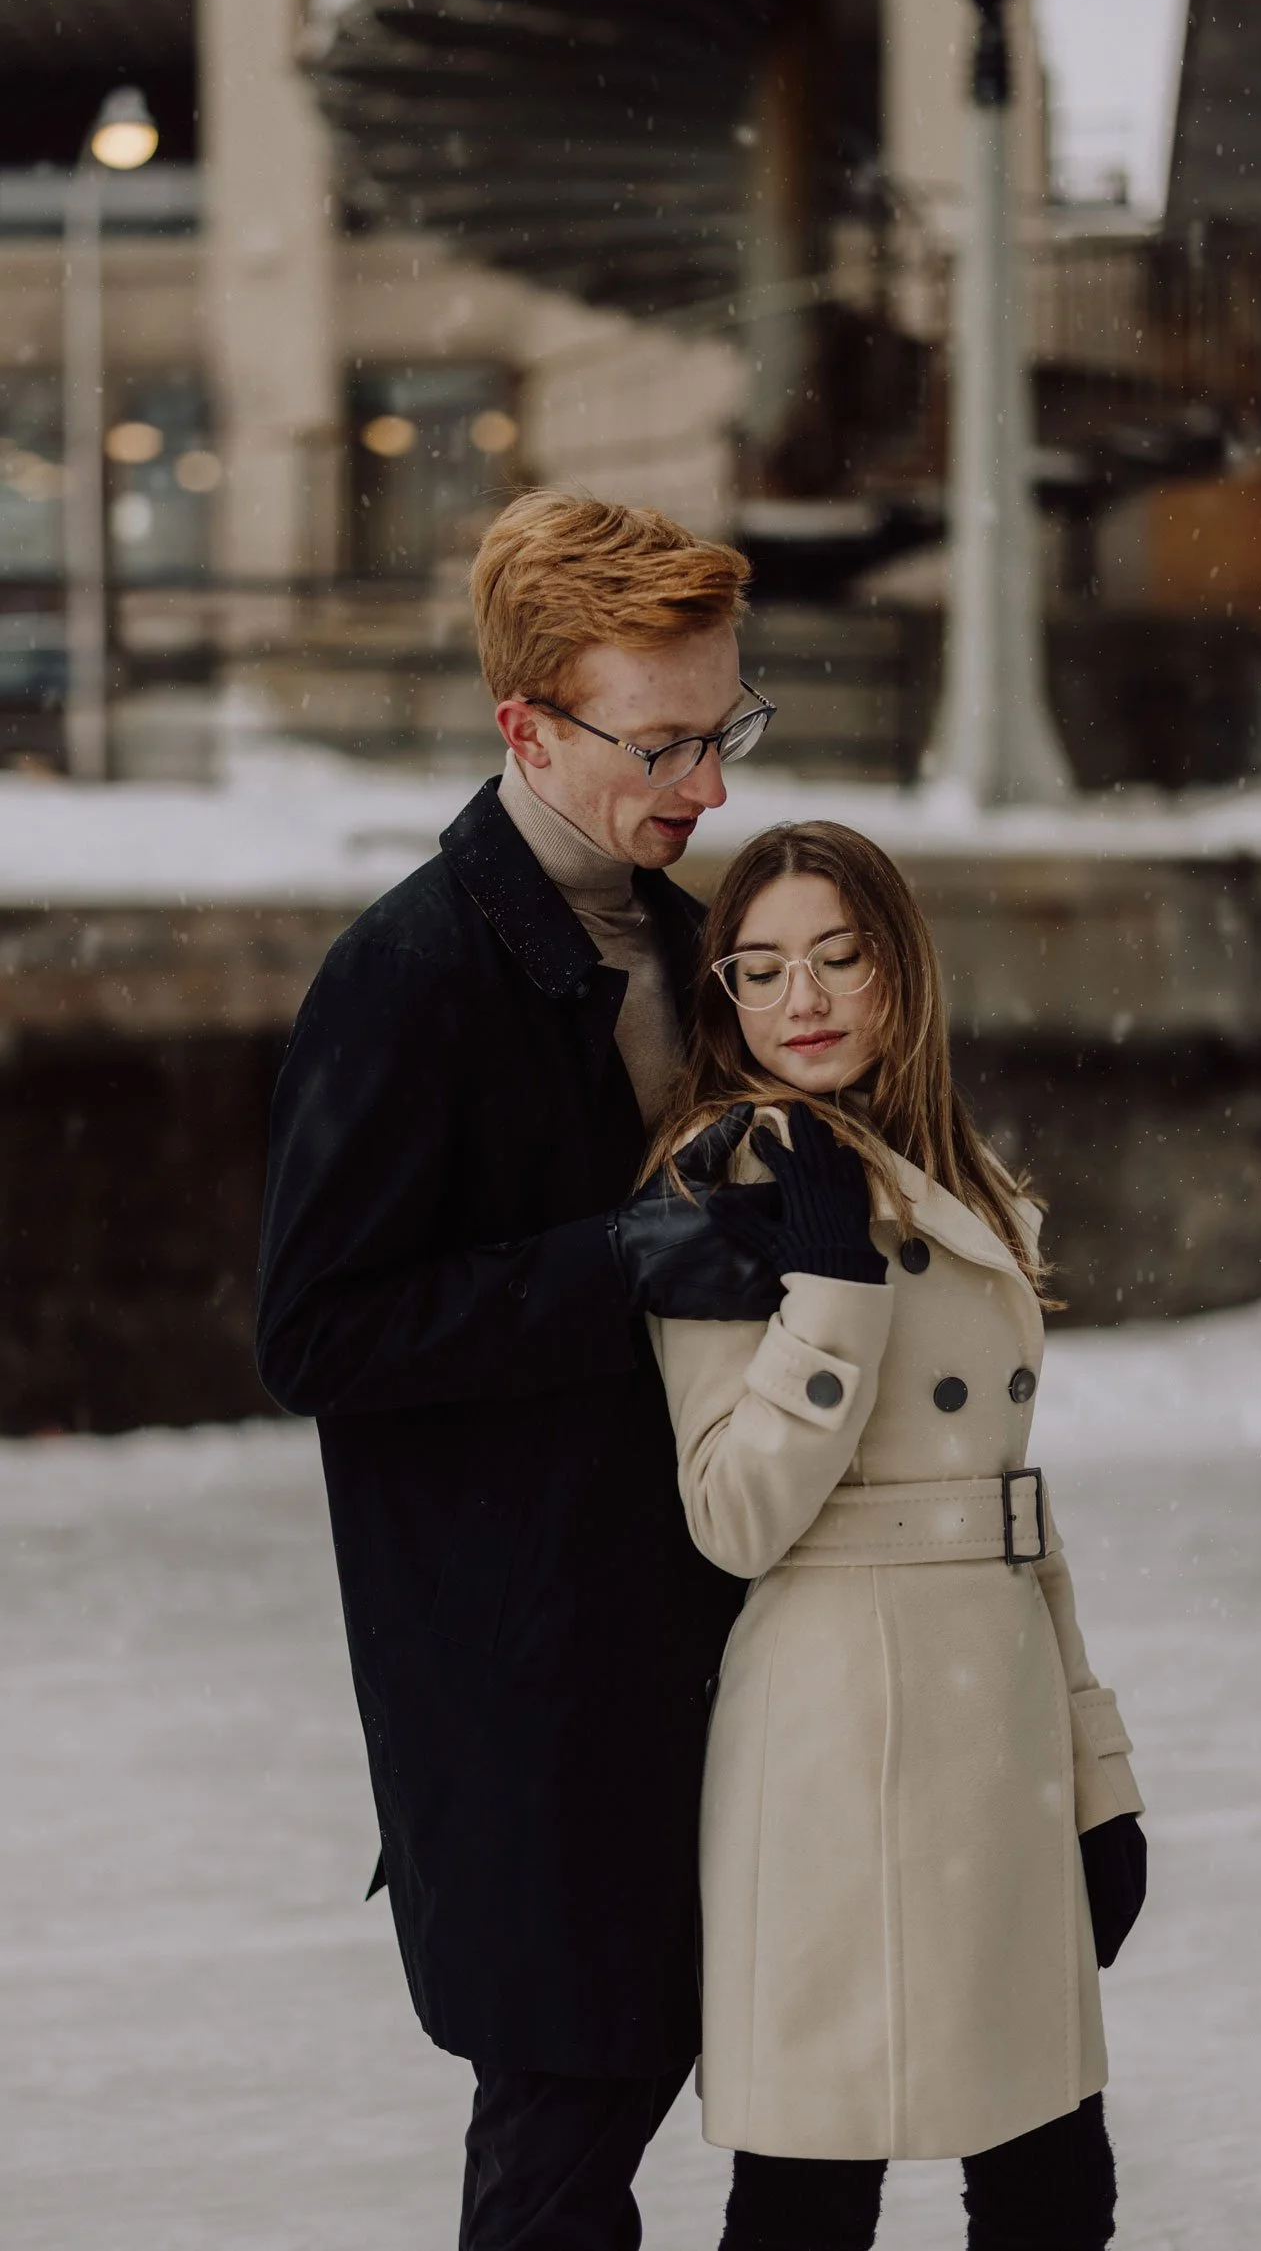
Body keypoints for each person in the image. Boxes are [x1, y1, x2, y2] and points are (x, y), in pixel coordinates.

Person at [255, 492, 786, 2251]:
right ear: (526, 728)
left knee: (801, 2122)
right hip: (530, 1692)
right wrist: (612, 1265)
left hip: (723, 1637)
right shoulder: (403, 975)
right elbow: (314, 1330)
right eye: (662, 745)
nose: (707, 787)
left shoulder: (701, 942)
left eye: (726, 730)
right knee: (559, 2154)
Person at [646, 820, 1147, 2251]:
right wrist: (831, 1294)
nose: (798, 998)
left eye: (836, 956)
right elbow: (732, 1515)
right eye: (759, 969)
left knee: (1055, 2192)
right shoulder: (726, 1179)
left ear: (900, 966)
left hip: (992, 1726)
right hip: (834, 1738)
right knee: (812, 2195)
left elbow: (1010, 1508)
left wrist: (1096, 1779)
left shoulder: (947, 1163)